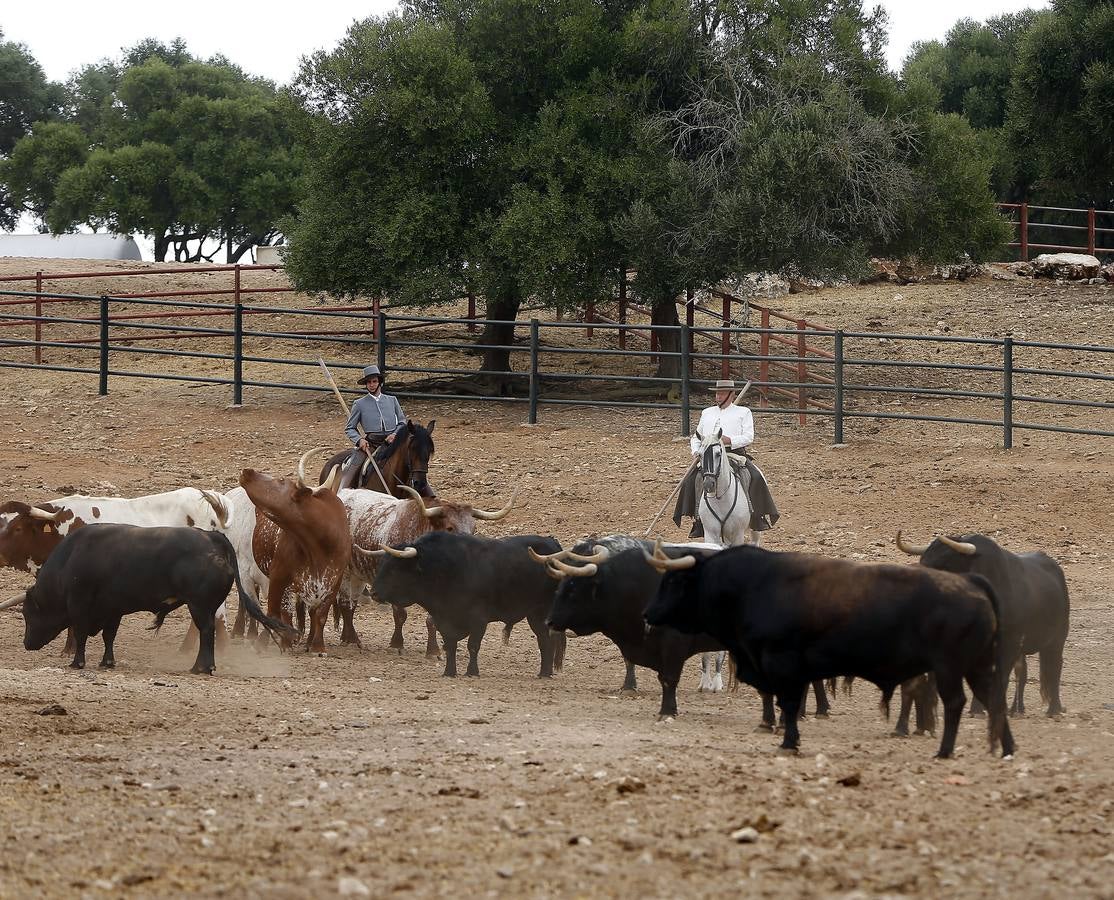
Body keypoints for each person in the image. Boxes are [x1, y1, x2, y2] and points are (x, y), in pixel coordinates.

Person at [672, 379, 778, 539]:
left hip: (733, 454)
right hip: (708, 455)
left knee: (755, 476)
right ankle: (698, 519)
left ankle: (757, 516)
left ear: (732, 394)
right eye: (716, 393)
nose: (718, 396)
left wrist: (730, 440)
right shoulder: (707, 413)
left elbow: (749, 437)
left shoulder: (743, 412)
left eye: (721, 393)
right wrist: (696, 451)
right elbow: (696, 436)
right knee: (691, 480)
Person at [340, 365, 407, 489]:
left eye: (374, 381)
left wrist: (395, 434)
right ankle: (341, 493)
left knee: (413, 462)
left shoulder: (392, 400)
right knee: (353, 467)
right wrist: (359, 440)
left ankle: (429, 495)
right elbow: (350, 428)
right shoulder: (359, 404)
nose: (372, 385)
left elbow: (402, 422)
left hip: (392, 443)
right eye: (369, 382)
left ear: (380, 382)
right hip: (371, 444)